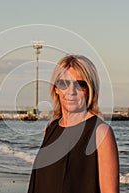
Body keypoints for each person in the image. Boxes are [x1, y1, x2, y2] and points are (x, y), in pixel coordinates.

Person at [28, 55, 119, 193]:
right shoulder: (50, 129)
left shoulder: (100, 132)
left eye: (80, 84)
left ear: (89, 90)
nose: (71, 91)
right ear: (56, 89)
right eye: (64, 83)